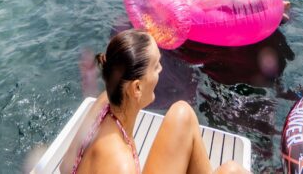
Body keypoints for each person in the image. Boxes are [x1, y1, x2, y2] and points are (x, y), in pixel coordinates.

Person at [62, 30, 247, 174]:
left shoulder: (105, 102)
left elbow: (65, 167)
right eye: (156, 66)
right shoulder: (122, 165)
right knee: (232, 170)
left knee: (182, 113)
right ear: (137, 88)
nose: (161, 70)